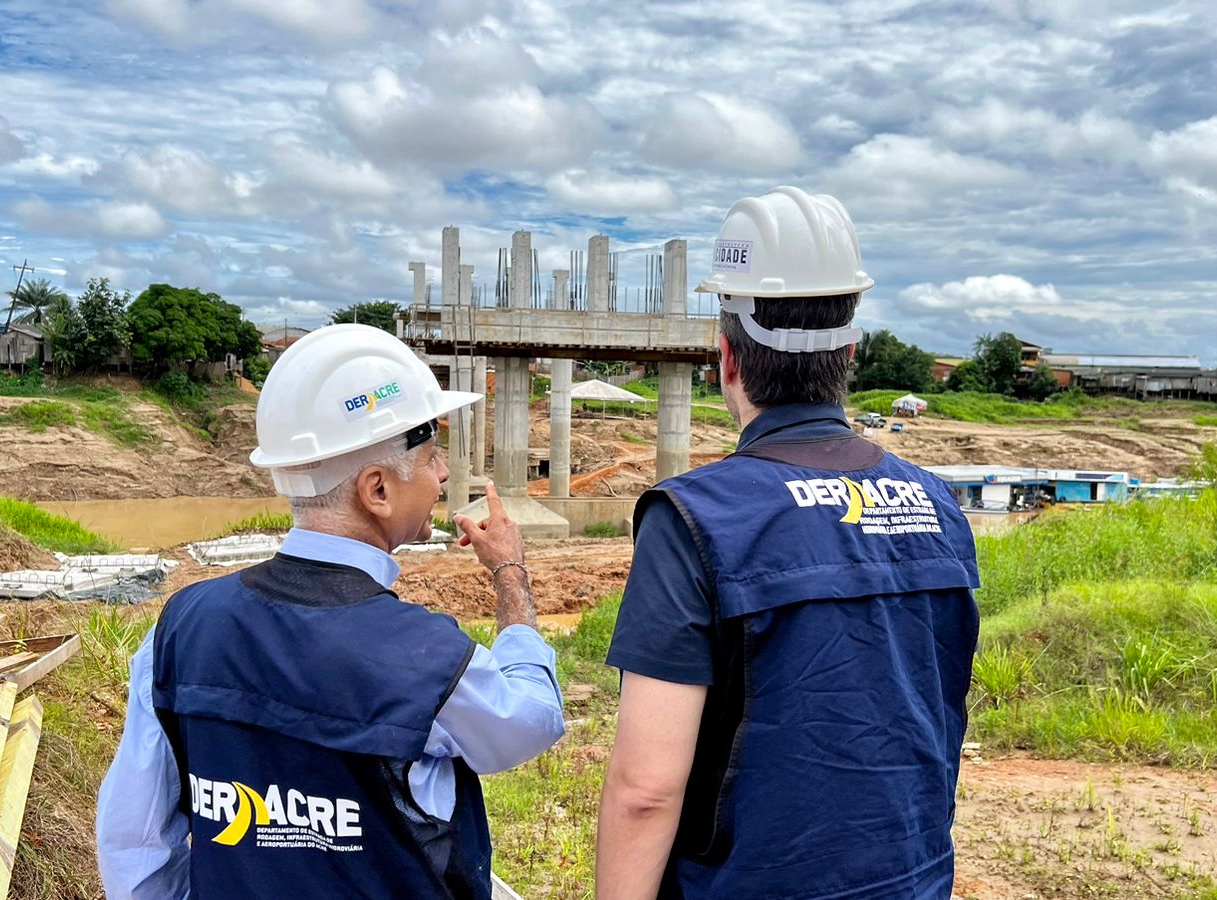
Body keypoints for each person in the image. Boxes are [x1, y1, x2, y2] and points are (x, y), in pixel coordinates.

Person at [595, 186, 981, 899]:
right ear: (851, 354)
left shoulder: (695, 519)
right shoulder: (937, 505)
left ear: (727, 359)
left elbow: (645, 788)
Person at [97, 324, 565, 899]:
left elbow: (135, 842)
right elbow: (532, 720)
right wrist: (509, 574)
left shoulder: (179, 629)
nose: (443, 475)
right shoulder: (425, 661)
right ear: (377, 491)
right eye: (432, 457)